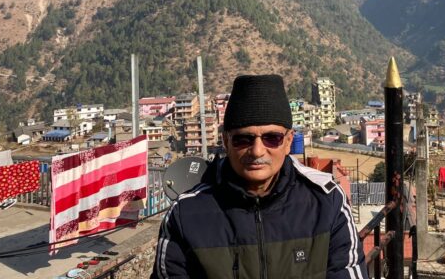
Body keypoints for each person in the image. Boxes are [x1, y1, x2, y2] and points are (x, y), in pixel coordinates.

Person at [152, 74, 368, 279]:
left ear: (288, 141)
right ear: (226, 141)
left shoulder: (326, 203)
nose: (257, 151)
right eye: (243, 139)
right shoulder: (186, 215)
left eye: (271, 138)